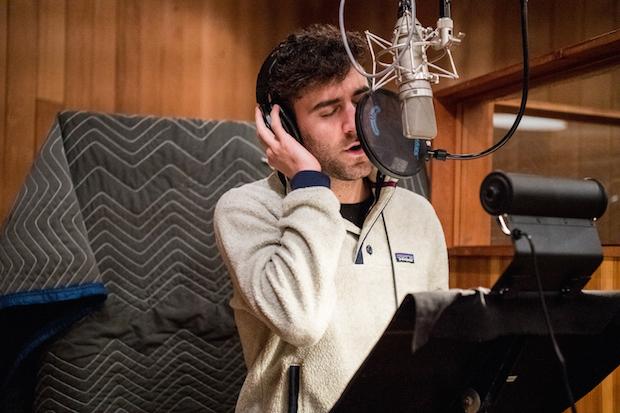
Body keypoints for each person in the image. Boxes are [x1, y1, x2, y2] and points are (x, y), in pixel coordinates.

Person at [214, 24, 449, 413]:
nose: (353, 123)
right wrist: (308, 184)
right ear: (285, 129)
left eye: (361, 101)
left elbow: (434, 344)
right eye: (328, 111)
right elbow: (299, 321)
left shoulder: (417, 215)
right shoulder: (245, 210)